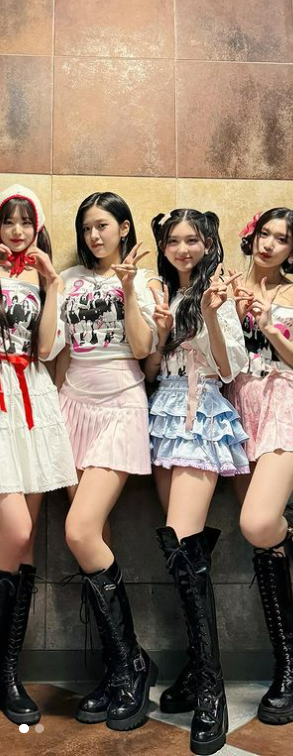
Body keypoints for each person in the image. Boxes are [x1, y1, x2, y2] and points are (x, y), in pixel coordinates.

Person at [0, 185, 77, 726]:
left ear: (37, 227)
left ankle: (5, 675)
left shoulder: (47, 278)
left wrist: (52, 285)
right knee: (18, 531)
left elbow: (45, 348)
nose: (18, 231)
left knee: (25, 547)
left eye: (26, 222)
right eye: (9, 221)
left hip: (34, 397)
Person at [144, 208, 248, 755]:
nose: (182, 248)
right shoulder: (164, 291)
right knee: (180, 549)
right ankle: (194, 667)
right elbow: (152, 367)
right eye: (173, 240)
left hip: (200, 413)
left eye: (192, 240)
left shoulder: (216, 294)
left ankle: (212, 690)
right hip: (162, 412)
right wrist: (161, 330)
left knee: (184, 543)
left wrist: (210, 312)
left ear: (209, 243)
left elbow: (230, 368)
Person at [56, 192, 161, 730]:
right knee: (93, 538)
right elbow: (57, 350)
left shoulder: (144, 280)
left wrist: (128, 287)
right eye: (86, 227)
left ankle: (131, 665)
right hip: (72, 406)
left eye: (103, 225)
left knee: (79, 530)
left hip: (120, 405)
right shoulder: (69, 279)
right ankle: (121, 666)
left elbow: (142, 350)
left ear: (123, 227)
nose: (94, 236)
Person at [225, 208, 293, 725]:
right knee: (263, 544)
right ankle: (288, 666)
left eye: (283, 239)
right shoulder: (225, 285)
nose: (270, 244)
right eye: (265, 234)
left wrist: (270, 326)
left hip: (283, 404)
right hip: (236, 410)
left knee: (258, 522)